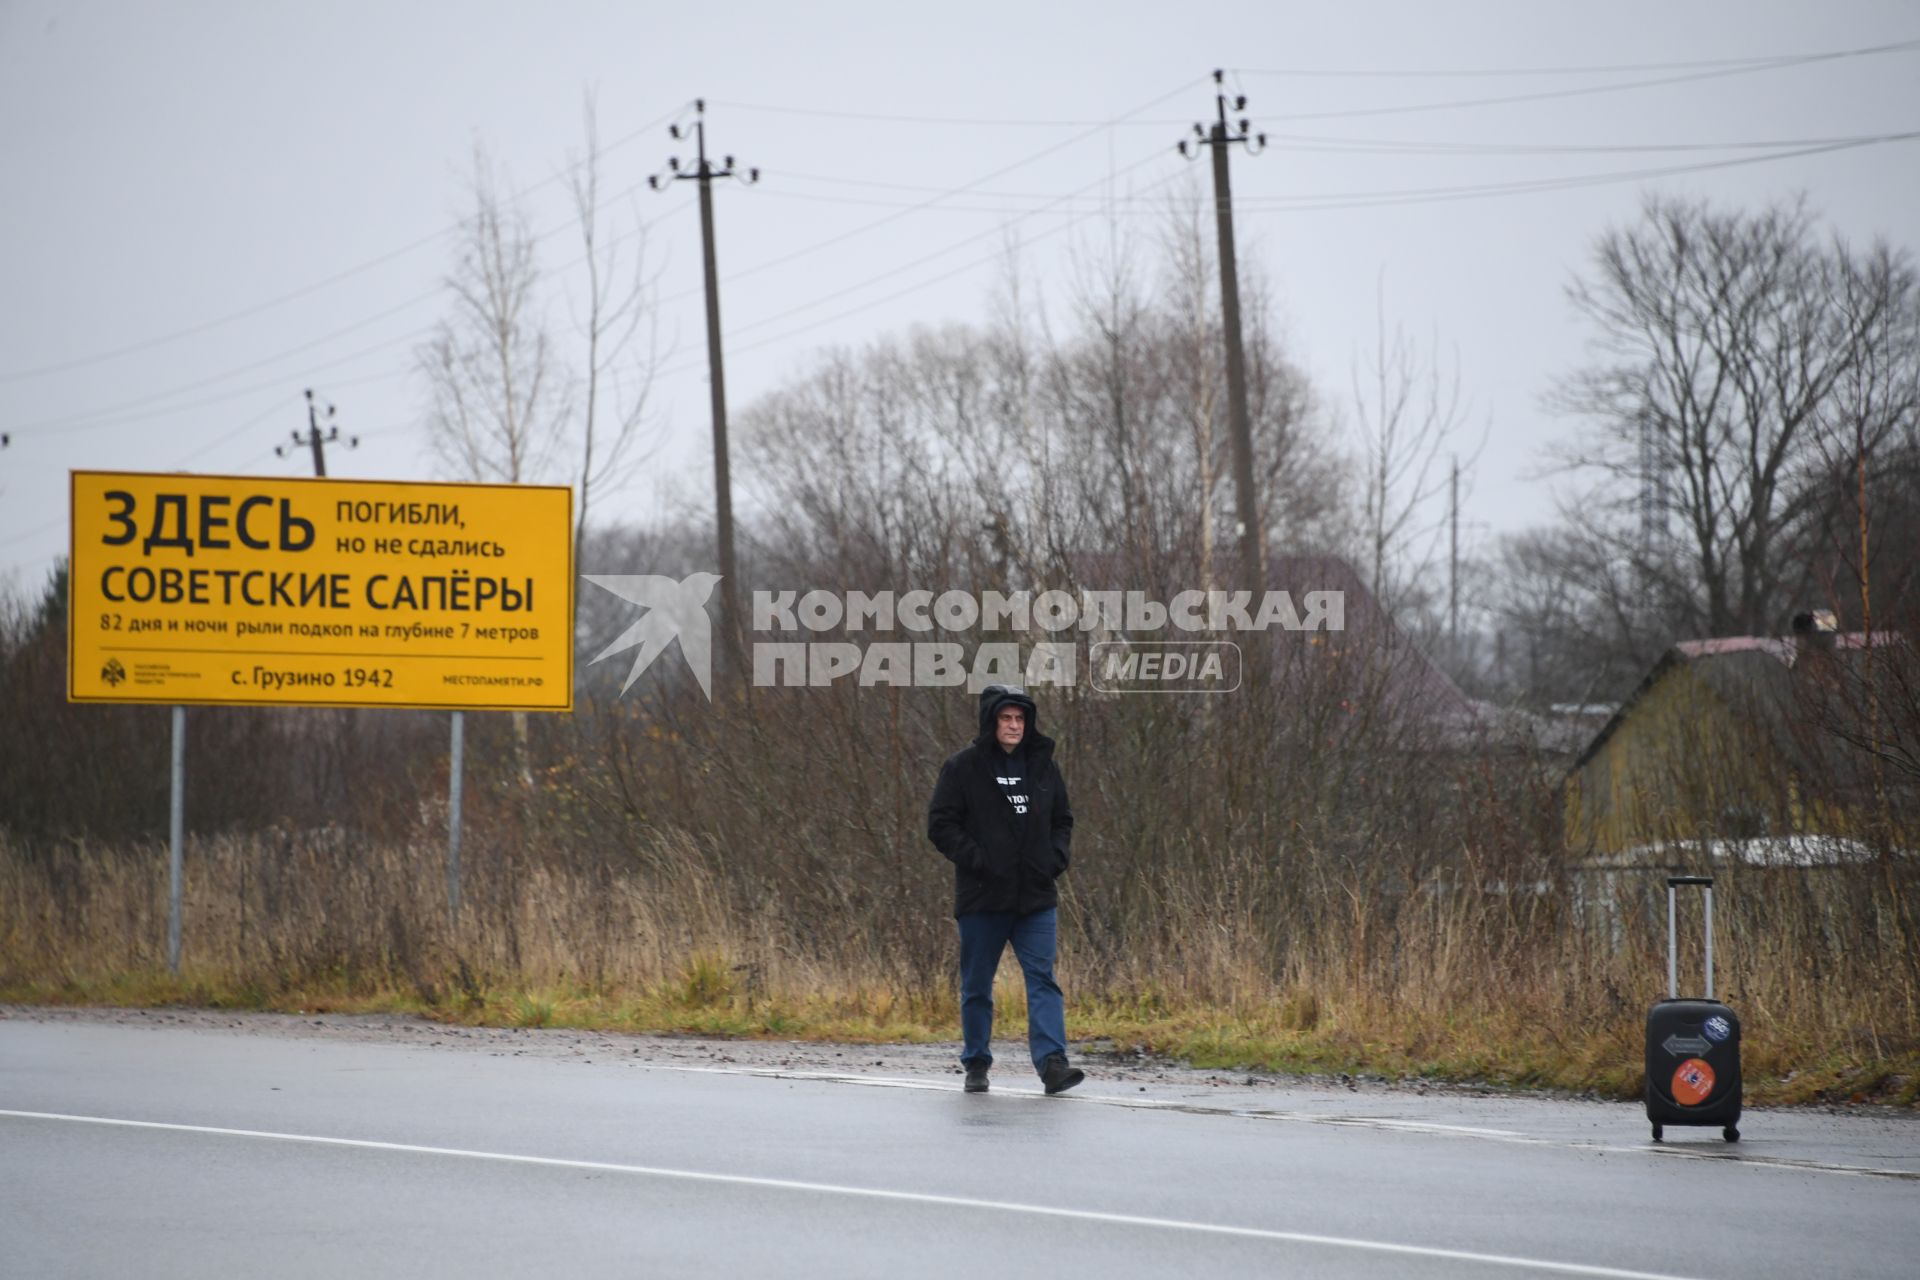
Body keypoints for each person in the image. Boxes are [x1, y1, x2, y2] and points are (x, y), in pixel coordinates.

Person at [927, 683, 1084, 1095]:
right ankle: (976, 1063)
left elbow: (1063, 819)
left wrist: (1054, 859)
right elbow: (941, 824)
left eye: (1020, 719)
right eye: (1006, 718)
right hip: (983, 898)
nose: (1014, 726)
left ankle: (1053, 1064)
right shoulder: (962, 768)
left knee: (1043, 980)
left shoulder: (1044, 767)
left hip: (1035, 897)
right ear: (991, 722)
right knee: (977, 985)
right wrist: (979, 860)